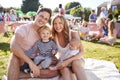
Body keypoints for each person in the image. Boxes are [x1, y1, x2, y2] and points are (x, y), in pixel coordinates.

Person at [7, 7, 59, 80]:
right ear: (36, 15)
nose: (42, 20)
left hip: (37, 60)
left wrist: (52, 56)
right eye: (41, 16)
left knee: (56, 71)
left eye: (46, 19)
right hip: (23, 59)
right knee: (14, 57)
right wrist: (30, 63)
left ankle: (22, 75)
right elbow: (13, 46)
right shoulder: (24, 29)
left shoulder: (45, 30)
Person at [51, 14, 88, 80]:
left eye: (60, 23)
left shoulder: (73, 33)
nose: (57, 26)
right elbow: (52, 53)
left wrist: (67, 61)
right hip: (63, 61)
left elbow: (82, 52)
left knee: (75, 63)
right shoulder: (54, 37)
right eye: (55, 23)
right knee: (65, 70)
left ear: (64, 23)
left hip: (76, 59)